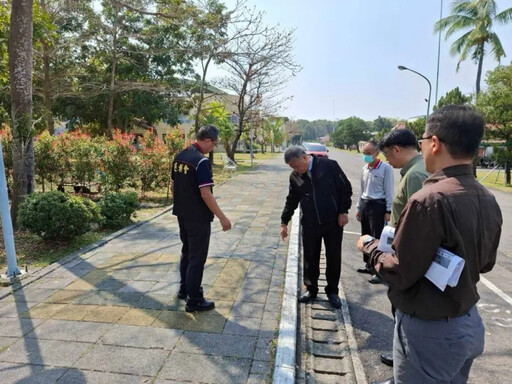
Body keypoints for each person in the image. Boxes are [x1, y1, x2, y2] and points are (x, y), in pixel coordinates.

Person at [358, 105, 502, 384]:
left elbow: (400, 271)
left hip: (429, 329)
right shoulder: (487, 197)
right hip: (468, 323)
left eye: (423, 141)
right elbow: (486, 263)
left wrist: (370, 247)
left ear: (434, 143)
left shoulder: (429, 199)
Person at [370, 128, 430, 384]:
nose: (387, 162)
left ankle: (405, 368)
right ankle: (402, 359)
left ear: (396, 149)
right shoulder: (414, 172)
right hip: (401, 251)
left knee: (406, 315)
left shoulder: (416, 175)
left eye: (387, 155)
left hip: (406, 257)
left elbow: (418, 227)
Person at [280, 146, 352, 309]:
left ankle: (332, 291)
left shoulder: (329, 166)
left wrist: (343, 211)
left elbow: (345, 189)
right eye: (293, 168)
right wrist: (284, 222)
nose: (297, 170)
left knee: (333, 256)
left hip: (333, 221)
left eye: (297, 166)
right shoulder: (295, 177)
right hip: (311, 223)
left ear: (305, 158)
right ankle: (311, 289)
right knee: (310, 257)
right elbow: (291, 200)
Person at [171, 124, 232, 312]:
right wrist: (222, 217)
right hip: (198, 217)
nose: (213, 147)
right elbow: (206, 194)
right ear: (207, 141)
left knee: (187, 252)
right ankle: (194, 299)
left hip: (182, 214)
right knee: (197, 257)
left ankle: (184, 290)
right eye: (213, 144)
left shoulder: (180, 156)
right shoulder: (201, 161)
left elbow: (173, 186)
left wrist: (181, 205)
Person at [356, 140, 394, 284]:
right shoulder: (365, 168)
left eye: (369, 153)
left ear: (377, 153)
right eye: (364, 153)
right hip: (366, 204)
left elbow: (389, 190)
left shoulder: (385, 169)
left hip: (378, 205)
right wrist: (359, 208)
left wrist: (388, 210)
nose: (366, 156)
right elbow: (361, 190)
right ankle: (369, 265)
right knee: (365, 236)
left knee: (377, 238)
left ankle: (379, 271)